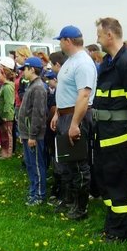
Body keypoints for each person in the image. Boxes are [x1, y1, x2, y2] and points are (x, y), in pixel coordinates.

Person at [92, 18, 127, 241]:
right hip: (105, 133)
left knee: (118, 183)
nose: (97, 39)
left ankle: (119, 232)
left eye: (99, 34)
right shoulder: (109, 62)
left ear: (109, 35)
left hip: (120, 135)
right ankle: (110, 226)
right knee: (106, 181)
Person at [50, 25, 98, 220]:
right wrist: (57, 114)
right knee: (66, 162)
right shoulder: (71, 61)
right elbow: (65, 92)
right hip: (65, 115)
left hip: (76, 116)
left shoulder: (83, 63)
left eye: (61, 41)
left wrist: (75, 124)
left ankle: (80, 207)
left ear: (67, 41)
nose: (60, 44)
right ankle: (69, 200)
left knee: (78, 164)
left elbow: (84, 95)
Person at [18, 57, 49, 206]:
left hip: (34, 135)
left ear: (32, 69)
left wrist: (32, 136)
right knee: (30, 164)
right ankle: (33, 191)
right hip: (27, 133)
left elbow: (38, 113)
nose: (22, 72)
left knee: (37, 165)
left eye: (24, 69)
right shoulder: (32, 85)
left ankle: (39, 194)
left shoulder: (38, 88)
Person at [0, 57, 16, 159]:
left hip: (6, 116)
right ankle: (3, 151)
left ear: (4, 74)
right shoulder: (4, 85)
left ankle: (8, 153)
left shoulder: (8, 87)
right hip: (2, 115)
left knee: (7, 136)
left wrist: (5, 114)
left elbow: (9, 102)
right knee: (3, 135)